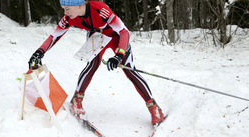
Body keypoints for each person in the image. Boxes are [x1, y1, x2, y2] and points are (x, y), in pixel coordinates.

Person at [28, 0, 165, 126]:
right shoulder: (69, 18)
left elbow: (124, 31)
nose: (65, 13)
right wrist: (39, 52)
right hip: (96, 36)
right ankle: (77, 100)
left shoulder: (100, 9)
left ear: (80, 5)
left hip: (116, 36)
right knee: (92, 65)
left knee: (130, 70)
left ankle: (153, 107)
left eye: (67, 9)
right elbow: (54, 36)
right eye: (63, 9)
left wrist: (119, 55)